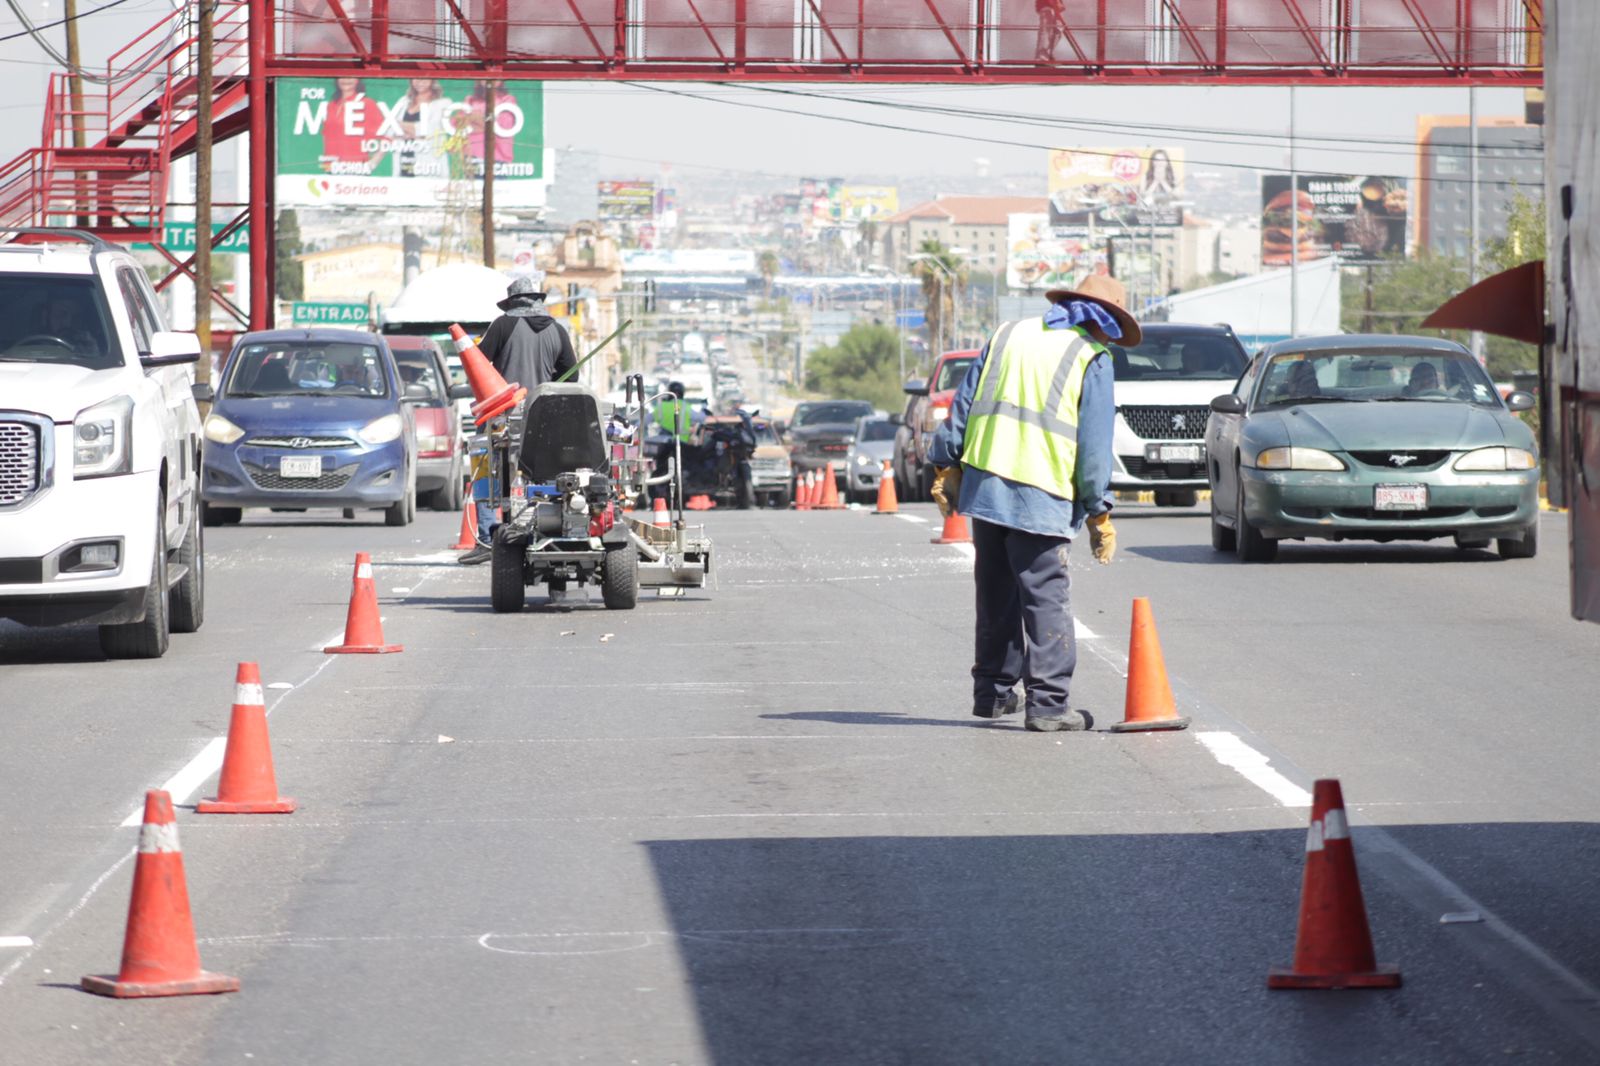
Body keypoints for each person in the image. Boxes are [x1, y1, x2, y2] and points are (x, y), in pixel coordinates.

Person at [927, 274, 1125, 733]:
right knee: (1044, 595)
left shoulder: (1008, 334)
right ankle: (1050, 706)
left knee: (996, 590)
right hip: (1042, 488)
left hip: (988, 483)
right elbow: (1094, 447)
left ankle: (993, 694)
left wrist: (945, 461)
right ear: (1105, 321)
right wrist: (1098, 508)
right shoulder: (1091, 356)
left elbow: (964, 404)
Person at [458, 275, 578, 565]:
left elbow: (478, 363)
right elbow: (572, 375)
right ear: (537, 300)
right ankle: (547, 530)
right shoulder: (557, 330)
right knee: (544, 475)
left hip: (503, 414)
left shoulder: (502, 325)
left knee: (487, 470)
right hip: (544, 418)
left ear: (511, 303)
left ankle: (488, 539)